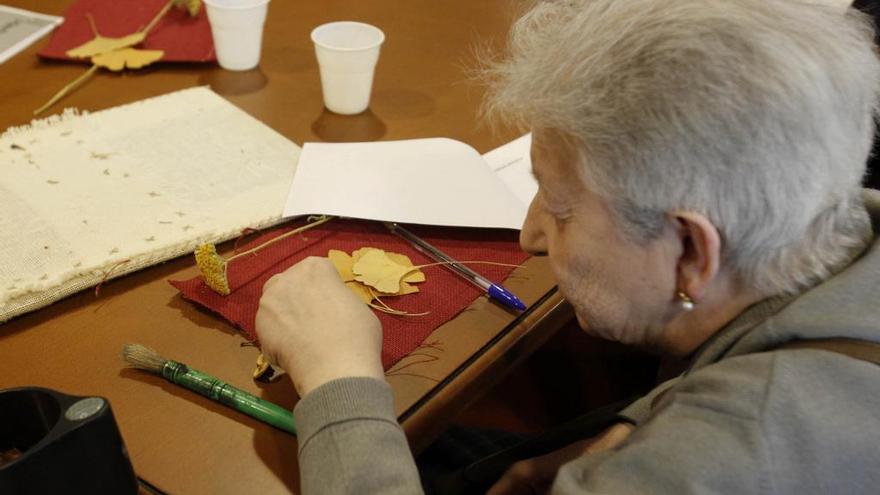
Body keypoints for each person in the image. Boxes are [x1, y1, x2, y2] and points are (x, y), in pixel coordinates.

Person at [255, 0, 880, 493]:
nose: (530, 237)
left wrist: (339, 379)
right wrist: (641, 423)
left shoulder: (723, 462)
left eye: (560, 207)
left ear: (691, 252)